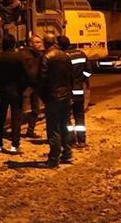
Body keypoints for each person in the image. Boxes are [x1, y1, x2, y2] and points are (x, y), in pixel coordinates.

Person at [39, 32, 74, 168]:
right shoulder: (65, 56)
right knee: (64, 125)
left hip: (52, 97)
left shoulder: (46, 57)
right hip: (65, 97)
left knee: (53, 129)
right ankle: (67, 152)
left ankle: (53, 159)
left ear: (45, 43)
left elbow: (42, 79)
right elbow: (70, 77)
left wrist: (43, 96)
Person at [0, 34, 26, 153]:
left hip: (2, 91)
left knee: (0, 118)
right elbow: (25, 76)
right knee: (16, 118)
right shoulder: (19, 58)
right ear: (14, 44)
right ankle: (15, 146)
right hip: (16, 92)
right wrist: (22, 88)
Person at [59, 35, 91, 146]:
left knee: (66, 117)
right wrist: (82, 79)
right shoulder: (81, 54)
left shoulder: (63, 56)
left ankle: (71, 140)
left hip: (68, 92)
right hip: (79, 91)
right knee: (79, 116)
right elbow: (89, 70)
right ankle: (81, 140)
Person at [19, 34, 44, 138]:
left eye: (40, 42)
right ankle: (16, 131)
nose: (39, 45)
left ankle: (30, 130)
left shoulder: (38, 54)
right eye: (37, 42)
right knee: (21, 110)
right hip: (26, 85)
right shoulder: (25, 54)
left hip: (35, 85)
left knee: (35, 110)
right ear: (30, 43)